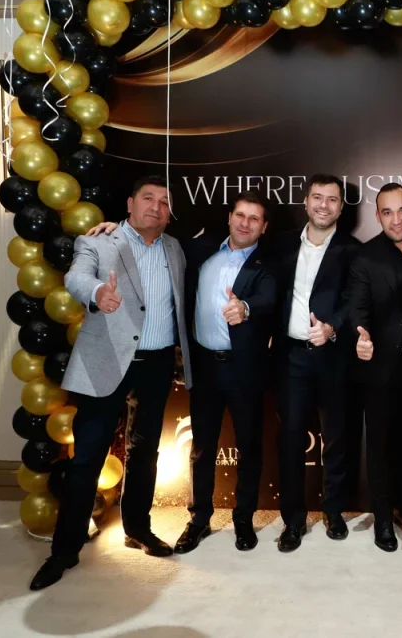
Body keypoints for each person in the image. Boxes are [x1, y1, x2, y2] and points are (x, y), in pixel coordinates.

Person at [30, 176, 193, 591]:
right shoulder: (99, 241)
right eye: (148, 198)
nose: (156, 206)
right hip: (105, 362)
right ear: (130, 203)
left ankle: (137, 529)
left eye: (164, 201)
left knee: (145, 452)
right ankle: (64, 551)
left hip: (157, 363)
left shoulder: (174, 248)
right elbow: (76, 277)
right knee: (87, 459)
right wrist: (98, 291)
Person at [173, 192, 277, 554]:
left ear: (264, 227)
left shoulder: (268, 263)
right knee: (202, 448)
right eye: (240, 215)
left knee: (249, 447)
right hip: (204, 366)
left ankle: (243, 519)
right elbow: (156, 238)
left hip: (244, 368)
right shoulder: (201, 252)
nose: (245, 223)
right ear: (229, 217)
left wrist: (245, 307)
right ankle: (199, 519)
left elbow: (270, 297)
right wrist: (115, 227)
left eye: (254, 218)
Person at [271, 174, 360, 552]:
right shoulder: (280, 244)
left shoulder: (353, 250)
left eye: (332, 199)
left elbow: (356, 300)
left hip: (334, 358)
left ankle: (333, 510)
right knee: (291, 440)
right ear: (306, 202)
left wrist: (333, 328)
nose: (324, 205)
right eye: (318, 197)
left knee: (336, 439)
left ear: (341, 207)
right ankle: (293, 520)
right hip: (290, 357)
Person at [350, 183, 402, 552]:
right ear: (378, 216)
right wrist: (360, 337)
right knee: (381, 447)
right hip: (380, 369)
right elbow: (357, 309)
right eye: (387, 212)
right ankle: (383, 519)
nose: (396, 219)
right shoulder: (365, 258)